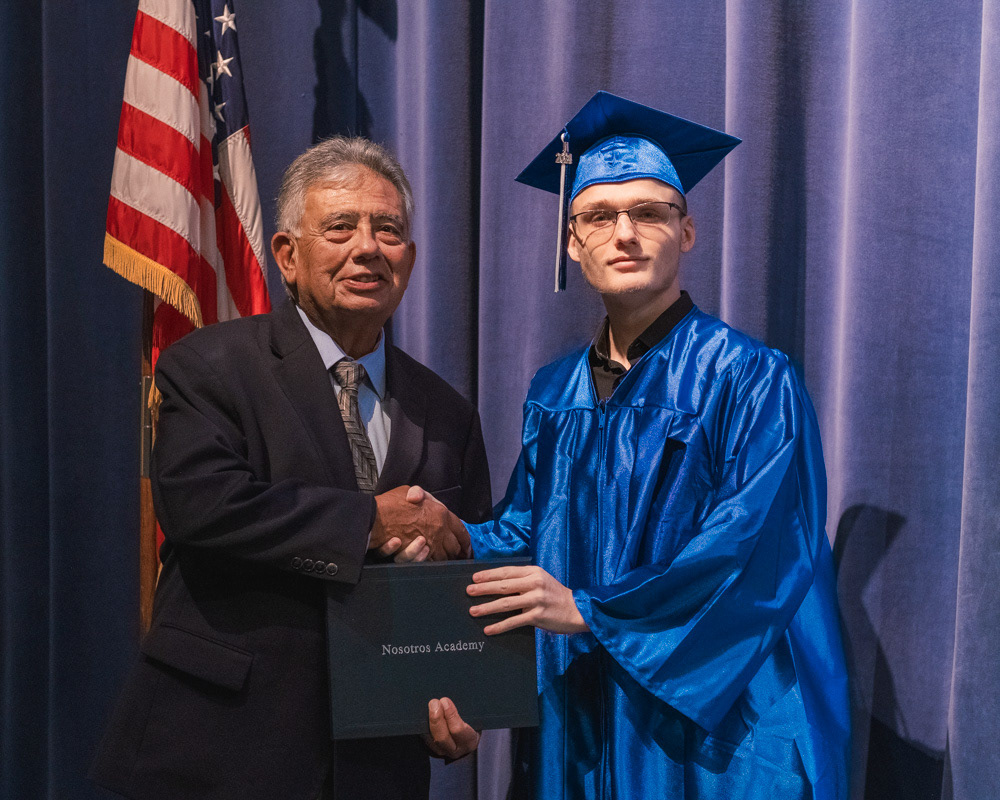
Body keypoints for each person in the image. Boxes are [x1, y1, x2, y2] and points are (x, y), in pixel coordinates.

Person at [461, 92, 851, 799]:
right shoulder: (554, 392)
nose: (625, 234)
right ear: (572, 241)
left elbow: (752, 546)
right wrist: (449, 538)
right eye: (598, 216)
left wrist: (591, 611)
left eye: (649, 213)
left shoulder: (749, 378)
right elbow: (526, 531)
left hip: (715, 723)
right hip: (588, 708)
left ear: (687, 231)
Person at [90, 136, 487, 800]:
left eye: (389, 231)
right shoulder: (209, 366)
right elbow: (204, 507)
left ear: (411, 259)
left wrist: (465, 697)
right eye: (340, 228)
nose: (368, 248)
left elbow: (463, 580)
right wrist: (369, 521)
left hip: (377, 768)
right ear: (287, 256)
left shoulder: (449, 414)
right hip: (220, 752)